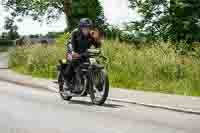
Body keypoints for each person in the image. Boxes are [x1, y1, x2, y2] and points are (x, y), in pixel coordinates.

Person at [64, 18, 102, 93]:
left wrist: (97, 39)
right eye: (85, 27)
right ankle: (67, 82)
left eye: (88, 27)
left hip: (84, 54)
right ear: (80, 28)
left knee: (94, 63)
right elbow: (71, 44)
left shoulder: (91, 35)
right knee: (73, 62)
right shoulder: (75, 33)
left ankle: (91, 84)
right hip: (72, 51)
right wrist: (73, 52)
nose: (87, 29)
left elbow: (97, 46)